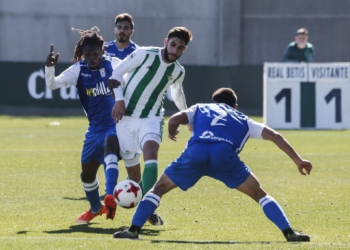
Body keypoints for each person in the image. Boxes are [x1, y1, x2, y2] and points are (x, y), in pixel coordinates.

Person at [113, 87, 313, 242]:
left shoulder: (201, 107)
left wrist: (172, 131)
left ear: (213, 102)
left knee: (159, 188)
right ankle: (289, 233)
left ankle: (133, 231)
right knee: (259, 194)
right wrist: (298, 160)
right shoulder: (242, 118)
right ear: (235, 106)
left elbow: (174, 119)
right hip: (224, 156)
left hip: (196, 152)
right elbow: (275, 136)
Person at [45, 27, 139, 223]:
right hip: (94, 129)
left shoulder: (115, 64)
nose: (92, 58)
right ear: (83, 54)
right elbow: (52, 84)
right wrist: (50, 68)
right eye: (87, 54)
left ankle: (110, 196)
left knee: (111, 147)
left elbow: (134, 81)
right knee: (86, 175)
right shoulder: (79, 69)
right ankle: (96, 208)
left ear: (103, 51)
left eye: (95, 53)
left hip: (116, 124)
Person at [108, 27, 193, 226]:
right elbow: (117, 72)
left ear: (184, 50)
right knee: (135, 176)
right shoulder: (144, 54)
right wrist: (119, 100)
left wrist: (187, 117)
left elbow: (177, 94)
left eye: (180, 48)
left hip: (152, 117)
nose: (174, 50)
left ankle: (148, 207)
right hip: (126, 119)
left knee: (151, 151)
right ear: (166, 42)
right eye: (172, 45)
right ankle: (144, 208)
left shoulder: (178, 71)